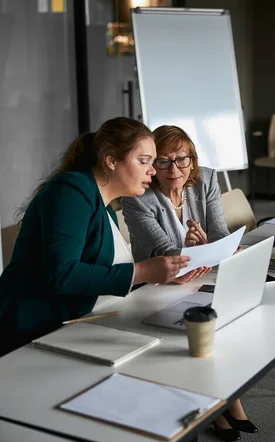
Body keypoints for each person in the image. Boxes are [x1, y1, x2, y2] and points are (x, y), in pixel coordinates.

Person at [0, 117, 197, 357]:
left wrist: (161, 273)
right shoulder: (71, 191)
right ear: (111, 160)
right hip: (33, 334)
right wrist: (144, 272)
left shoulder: (104, 206)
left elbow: (105, 273)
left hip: (75, 323)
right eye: (144, 161)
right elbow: (63, 274)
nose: (153, 171)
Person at [121, 124, 258, 442]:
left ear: (192, 160)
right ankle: (223, 402)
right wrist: (196, 250)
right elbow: (163, 252)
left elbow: (220, 232)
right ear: (152, 164)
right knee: (207, 318)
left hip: (201, 274)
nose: (174, 169)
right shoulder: (138, 198)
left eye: (182, 159)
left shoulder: (206, 179)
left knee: (226, 311)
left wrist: (212, 243)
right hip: (157, 284)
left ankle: (222, 400)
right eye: (163, 161)